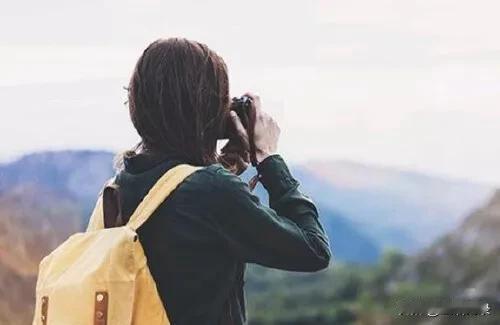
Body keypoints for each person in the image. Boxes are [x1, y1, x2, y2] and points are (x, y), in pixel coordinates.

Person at [114, 37, 331, 325]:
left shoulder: (123, 181)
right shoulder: (209, 191)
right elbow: (313, 250)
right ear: (205, 107)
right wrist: (268, 158)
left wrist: (220, 170)